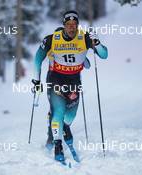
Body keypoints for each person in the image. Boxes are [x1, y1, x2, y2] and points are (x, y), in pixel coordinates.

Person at [32, 10, 108, 164]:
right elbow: (38, 58)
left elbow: (104, 55)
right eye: (68, 25)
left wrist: (97, 43)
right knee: (58, 112)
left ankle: (63, 127)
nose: (71, 27)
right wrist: (36, 80)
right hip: (56, 78)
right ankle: (57, 145)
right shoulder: (52, 39)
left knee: (70, 116)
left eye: (74, 24)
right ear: (64, 25)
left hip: (74, 80)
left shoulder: (85, 37)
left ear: (78, 25)